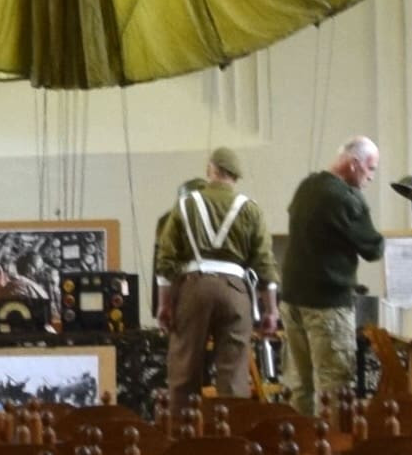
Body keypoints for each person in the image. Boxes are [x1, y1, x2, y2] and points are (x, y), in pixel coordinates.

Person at [151, 147, 273, 404]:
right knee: (234, 372)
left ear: (211, 170)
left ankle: (183, 427)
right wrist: (271, 310)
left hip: (194, 288)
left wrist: (164, 305)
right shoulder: (251, 208)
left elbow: (166, 259)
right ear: (235, 175)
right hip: (235, 291)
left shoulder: (185, 205)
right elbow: (264, 263)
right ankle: (233, 426)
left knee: (184, 369)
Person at [278, 138, 387, 412]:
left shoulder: (306, 186)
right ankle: (333, 439)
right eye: (371, 169)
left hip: (291, 300)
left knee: (299, 385)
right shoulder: (346, 198)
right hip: (327, 305)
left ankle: (300, 437)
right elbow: (373, 248)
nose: (371, 177)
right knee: (334, 386)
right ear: (354, 164)